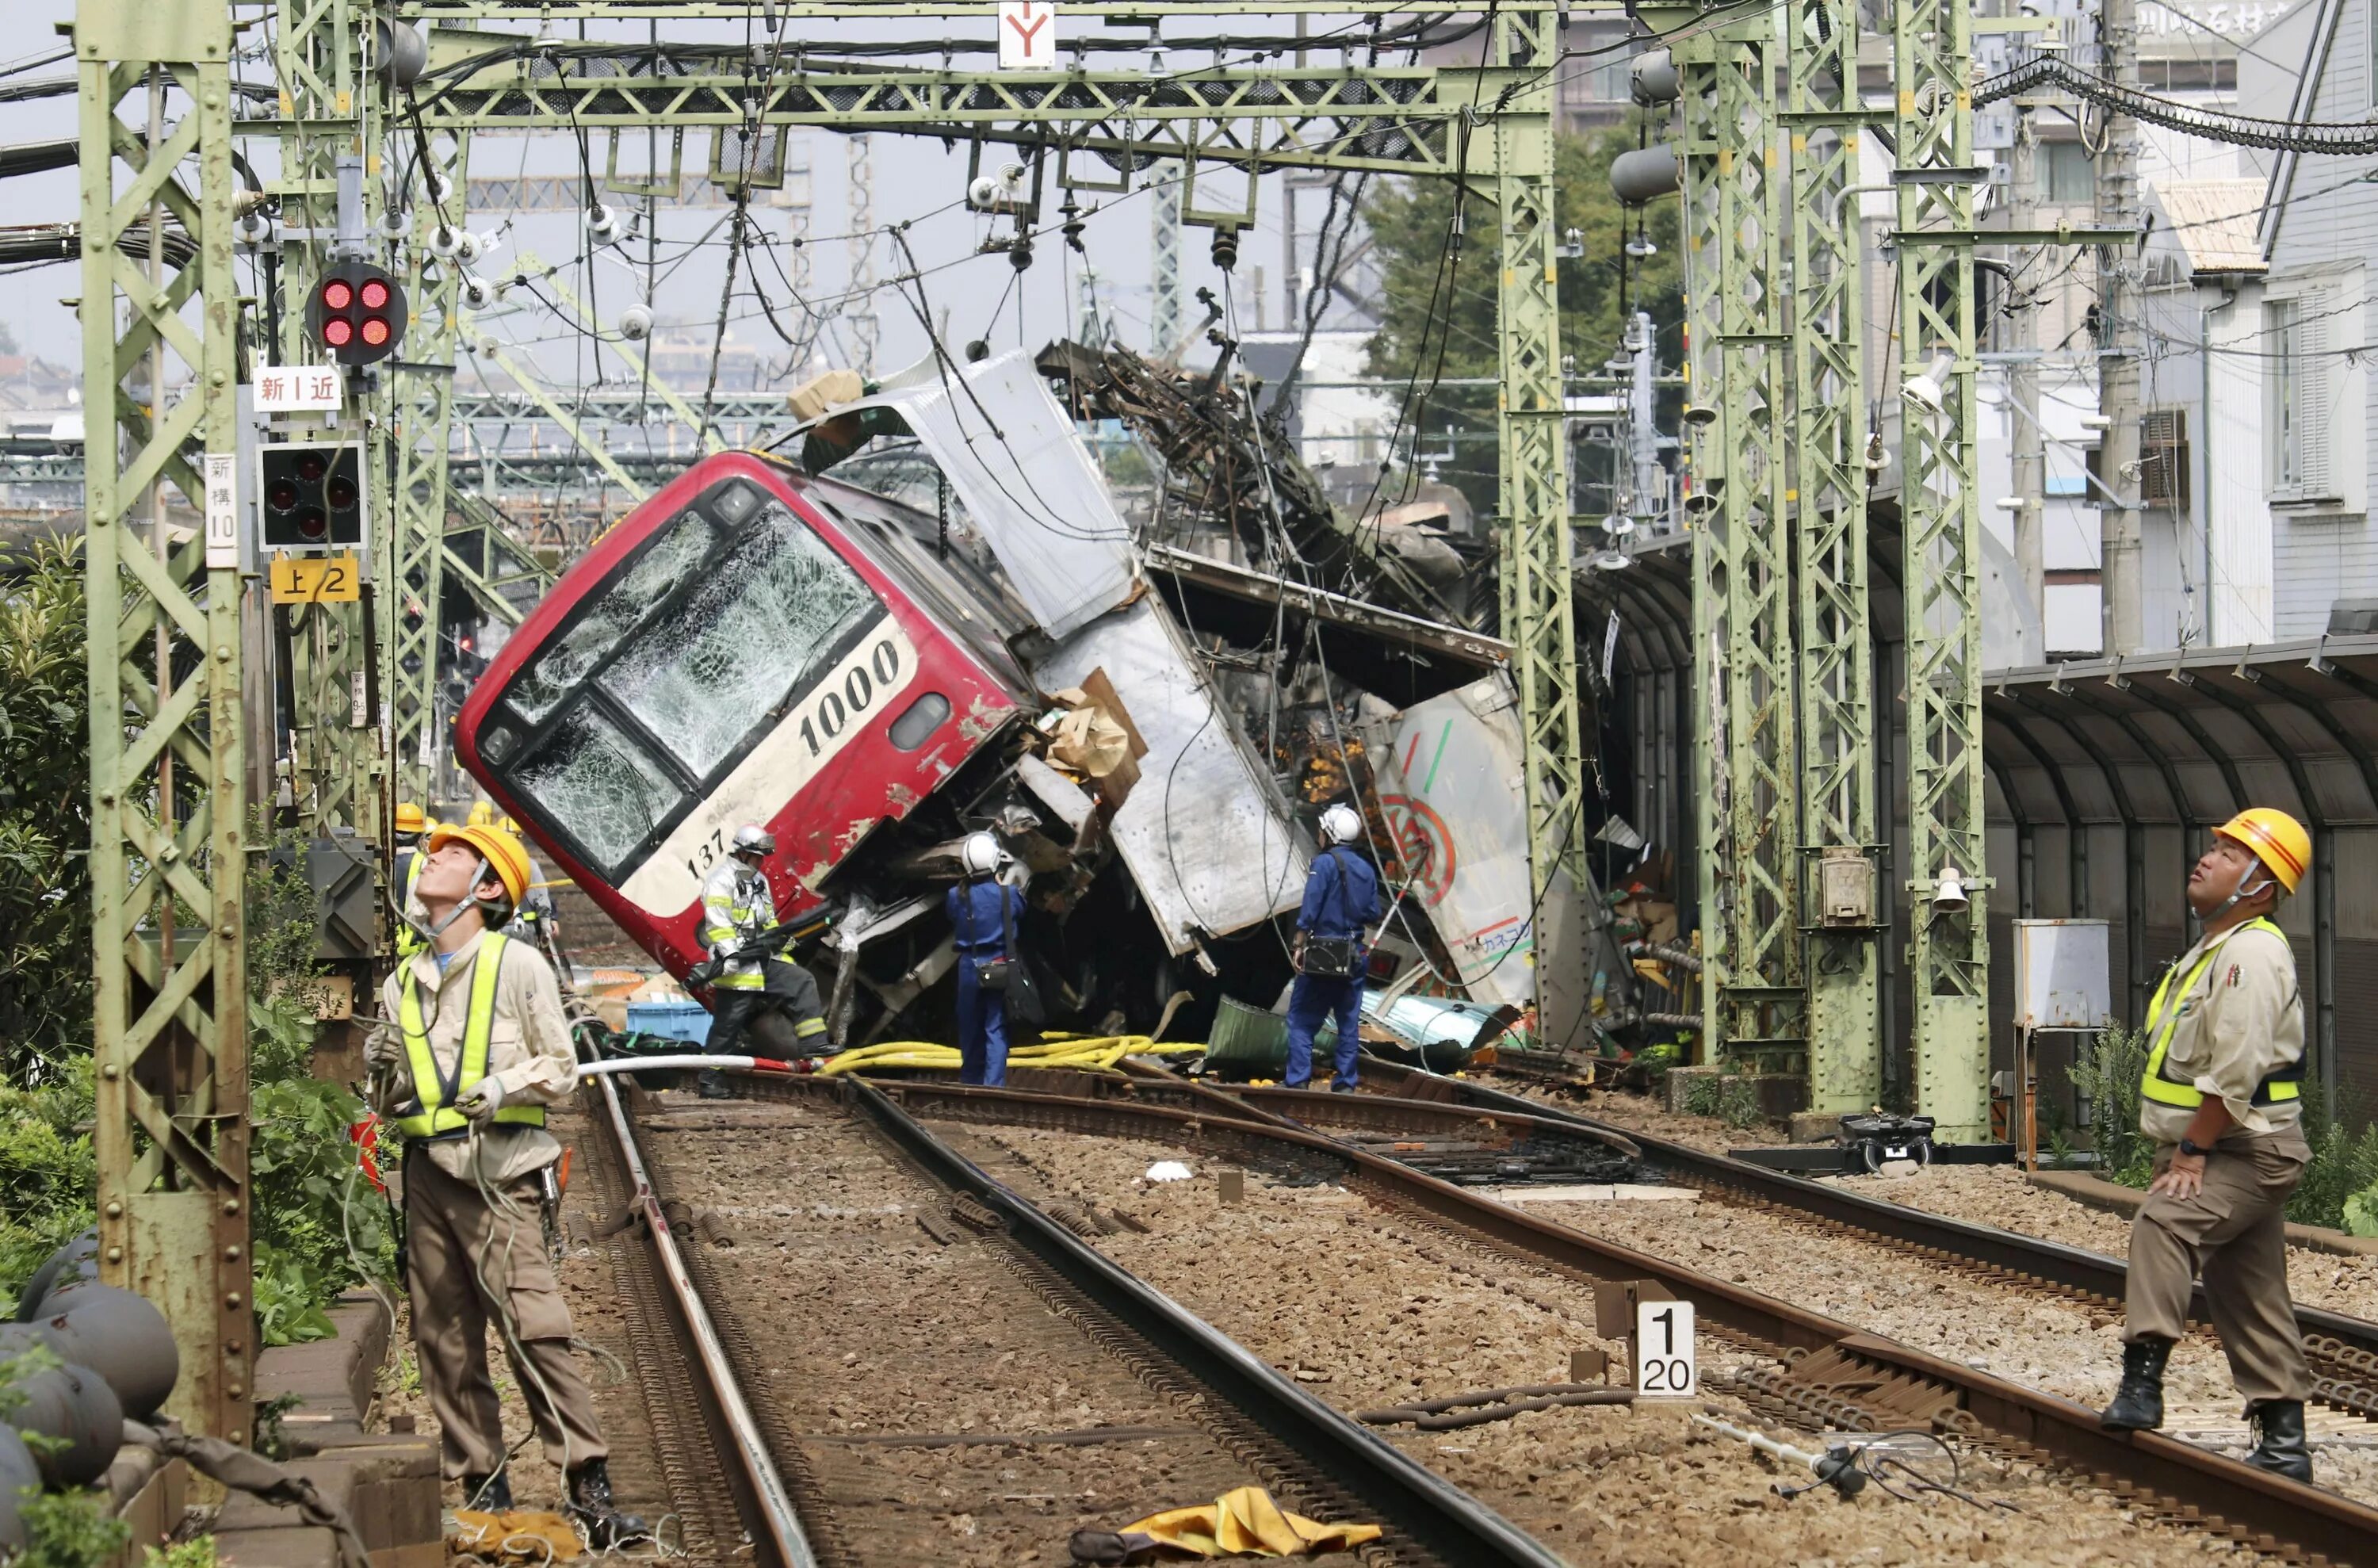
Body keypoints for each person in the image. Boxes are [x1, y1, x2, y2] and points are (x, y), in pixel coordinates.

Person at [363, 821, 645, 1543]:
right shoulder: (403, 984)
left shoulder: (517, 967)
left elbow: (561, 1067)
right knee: (445, 1341)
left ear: (487, 888)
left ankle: (590, 1488)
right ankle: (484, 1491)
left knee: (534, 1329)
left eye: (454, 855)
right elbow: (391, 1100)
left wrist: (500, 1084)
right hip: (427, 1178)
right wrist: (383, 1072)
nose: (434, 859)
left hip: (502, 1173)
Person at [2099, 807, 2315, 1483]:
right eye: (2215, 845)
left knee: (2164, 1223)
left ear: (2259, 881)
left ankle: (2143, 1381)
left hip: (2246, 1150)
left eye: (2226, 852)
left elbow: (2237, 1069)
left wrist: (2191, 1152)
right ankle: (2285, 1443)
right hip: (2229, 1145)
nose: (2206, 857)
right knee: (2249, 1289)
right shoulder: (2217, 948)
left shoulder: (2251, 953)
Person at [696, 824, 827, 1097]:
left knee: (801, 981)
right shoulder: (720, 880)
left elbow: (769, 923)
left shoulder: (759, 881)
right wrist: (730, 954)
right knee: (727, 1027)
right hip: (735, 967)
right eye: (757, 857)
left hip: (762, 960)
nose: (761, 862)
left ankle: (815, 1046)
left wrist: (782, 949)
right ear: (742, 853)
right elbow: (718, 924)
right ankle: (710, 1080)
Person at [1284, 804, 1385, 1092]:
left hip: (1323, 953)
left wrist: (1299, 943)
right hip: (1354, 953)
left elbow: (1311, 907)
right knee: (1348, 1022)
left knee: (1302, 1019)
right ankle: (1345, 1085)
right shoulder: (1366, 868)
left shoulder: (1324, 864)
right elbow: (1372, 912)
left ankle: (1298, 1082)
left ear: (1329, 833)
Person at [946, 831, 1021, 1087]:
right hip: (998, 965)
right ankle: (993, 1087)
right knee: (995, 1026)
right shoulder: (1008, 895)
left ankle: (970, 1081)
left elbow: (952, 915)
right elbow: (1021, 911)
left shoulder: (955, 896)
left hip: (969, 966)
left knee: (969, 1025)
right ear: (994, 861)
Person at [392, 802, 430, 961]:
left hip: (390, 945)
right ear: (419, 836)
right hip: (416, 949)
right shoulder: (423, 863)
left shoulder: (383, 861)